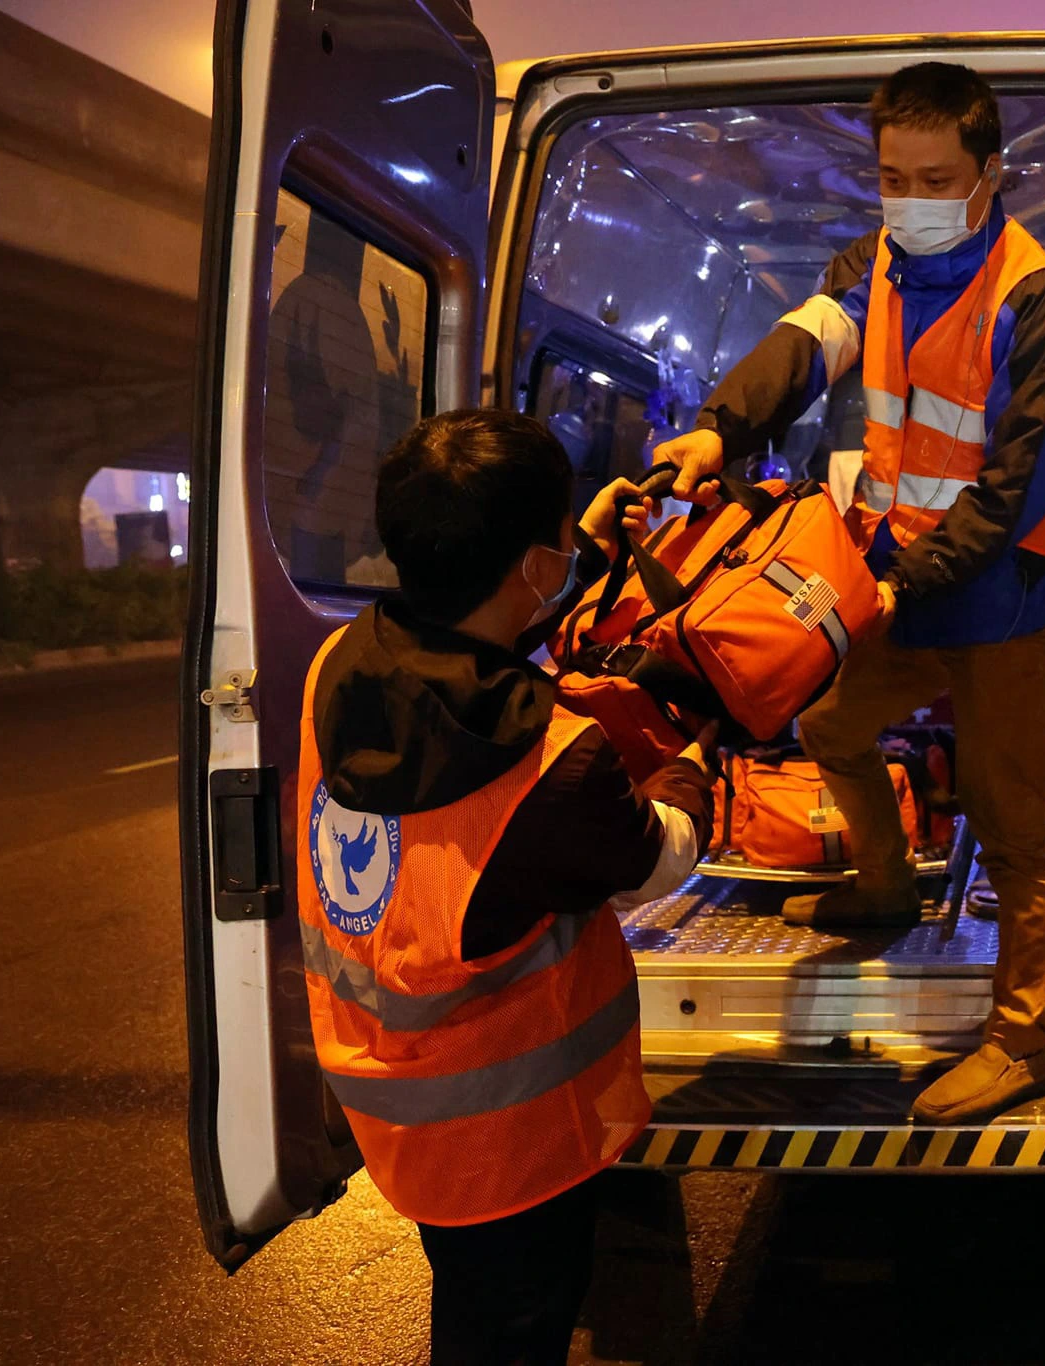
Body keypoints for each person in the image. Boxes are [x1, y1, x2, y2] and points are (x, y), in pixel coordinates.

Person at [651, 62, 1045, 1124]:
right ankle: (887, 883)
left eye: (934, 175)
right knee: (830, 721)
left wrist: (897, 586)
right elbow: (807, 346)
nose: (908, 199)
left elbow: (1008, 491)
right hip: (907, 581)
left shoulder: (1044, 304)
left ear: (989, 172)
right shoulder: (876, 266)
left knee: (1008, 821)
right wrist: (725, 424)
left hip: (1010, 600)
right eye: (891, 176)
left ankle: (1023, 1038)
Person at [296, 409, 716, 1365]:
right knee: (516, 1329)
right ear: (532, 564)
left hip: (391, 1099)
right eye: (560, 543)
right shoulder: (558, 766)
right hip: (512, 1144)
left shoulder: (342, 663)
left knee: (475, 1314)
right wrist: (693, 763)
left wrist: (567, 557)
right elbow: (662, 859)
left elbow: (474, 664)